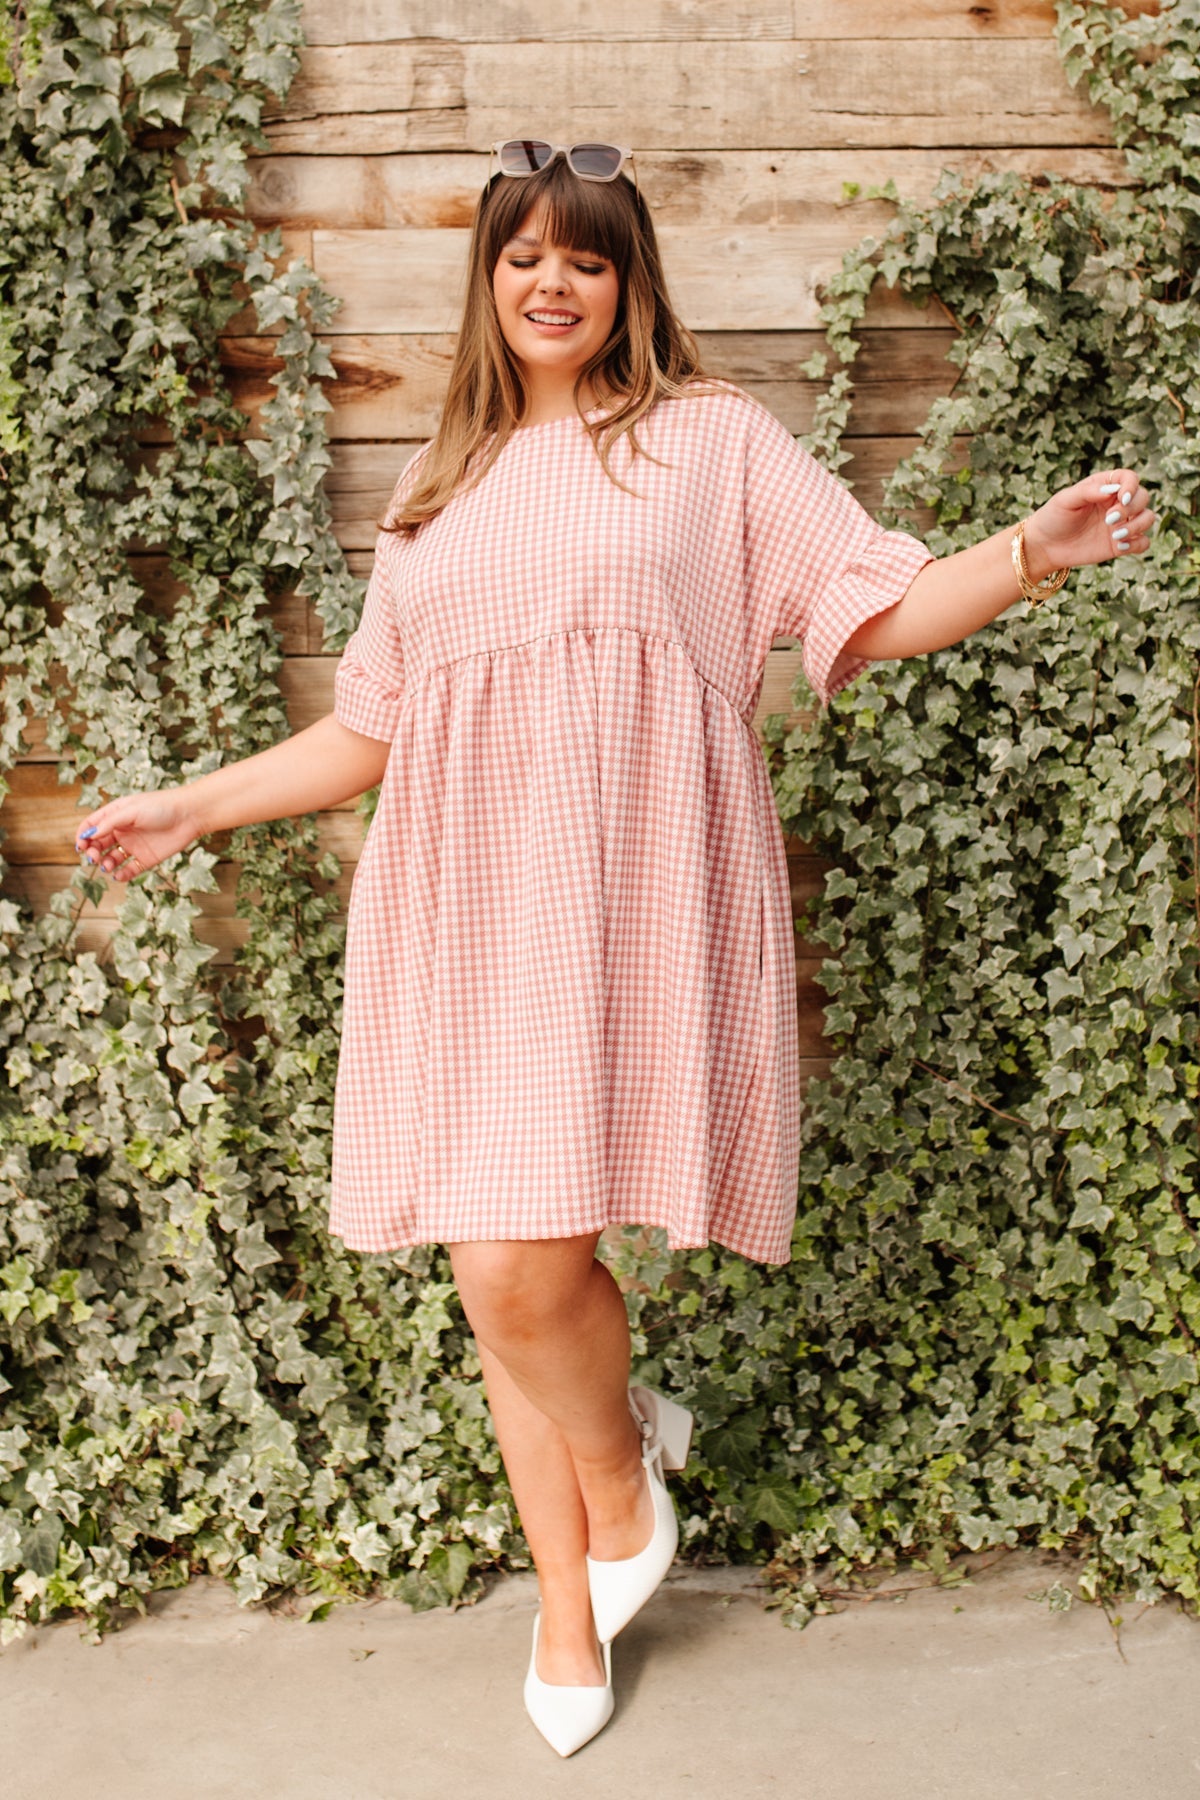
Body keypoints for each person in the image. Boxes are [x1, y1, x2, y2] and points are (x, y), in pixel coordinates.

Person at [73, 139, 1156, 1758]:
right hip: (463, 907)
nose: (550, 282)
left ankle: (617, 1473)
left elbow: (876, 599)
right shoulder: (432, 500)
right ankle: (575, 1585)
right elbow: (369, 729)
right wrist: (189, 808)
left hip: (631, 896)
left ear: (627, 281)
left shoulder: (710, 445)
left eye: (584, 256)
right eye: (522, 255)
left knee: (524, 1264)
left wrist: (1026, 553)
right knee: (495, 1262)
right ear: (488, 284)